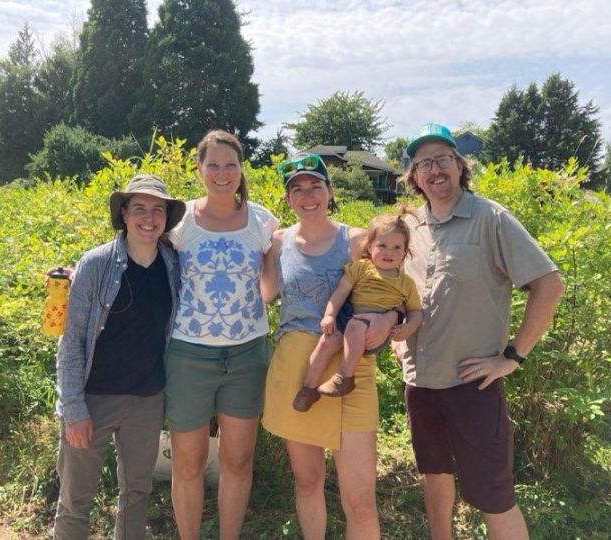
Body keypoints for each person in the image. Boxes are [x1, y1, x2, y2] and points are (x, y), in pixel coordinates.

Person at [394, 123, 565, 540]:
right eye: (424, 164)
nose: (435, 170)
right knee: (434, 473)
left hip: (473, 384)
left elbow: (549, 284)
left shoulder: (491, 218)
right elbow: (398, 289)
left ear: (459, 166)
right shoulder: (409, 227)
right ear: (414, 177)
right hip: (420, 383)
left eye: (443, 159)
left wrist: (512, 356)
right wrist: (398, 343)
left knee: (493, 492)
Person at [262, 153, 399, 540]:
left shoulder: (357, 240)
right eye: (297, 189)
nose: (307, 196)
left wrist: (391, 318)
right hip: (297, 371)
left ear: (330, 190)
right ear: (287, 198)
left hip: (349, 373)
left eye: (315, 186)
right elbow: (262, 295)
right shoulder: (278, 242)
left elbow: (396, 289)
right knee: (308, 483)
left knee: (360, 500)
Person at [53, 175, 186, 540]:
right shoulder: (95, 264)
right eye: (139, 208)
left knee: (137, 493)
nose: (149, 218)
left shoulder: (173, 264)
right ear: (124, 214)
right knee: (75, 498)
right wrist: (73, 408)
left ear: (166, 218)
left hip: (147, 399)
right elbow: (72, 340)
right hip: (93, 398)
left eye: (157, 210)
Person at [164, 129, 279, 540]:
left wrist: (261, 296)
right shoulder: (178, 221)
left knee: (238, 462)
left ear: (241, 168)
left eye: (230, 164)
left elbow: (272, 274)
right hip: (187, 355)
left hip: (247, 356)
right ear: (199, 169)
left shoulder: (262, 221)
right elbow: (139, 255)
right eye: (212, 164)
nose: (222, 173)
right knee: (187, 463)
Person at [292, 213, 423, 411]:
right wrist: (330, 315)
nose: (389, 252)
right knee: (327, 342)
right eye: (382, 245)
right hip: (349, 319)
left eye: (397, 247)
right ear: (370, 246)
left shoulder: (406, 283)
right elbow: (341, 292)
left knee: (356, 325)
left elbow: (416, 311)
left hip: (375, 332)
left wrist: (409, 327)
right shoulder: (361, 268)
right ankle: (308, 388)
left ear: (405, 251)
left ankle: (345, 377)